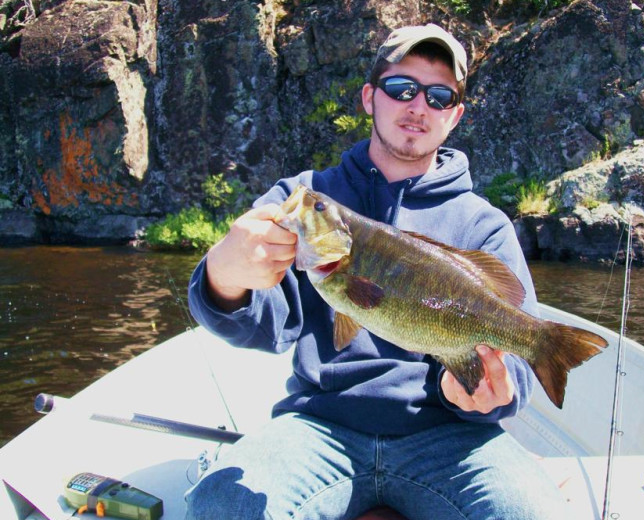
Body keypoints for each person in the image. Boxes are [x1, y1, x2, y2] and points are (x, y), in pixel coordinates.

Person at [185, 23, 566, 520]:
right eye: (402, 88)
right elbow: (263, 324)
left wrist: (492, 395)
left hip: (449, 435)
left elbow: (512, 362)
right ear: (370, 97)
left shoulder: (484, 226)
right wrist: (223, 273)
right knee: (222, 508)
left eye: (438, 95)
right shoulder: (303, 199)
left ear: (455, 115)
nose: (418, 106)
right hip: (320, 424)